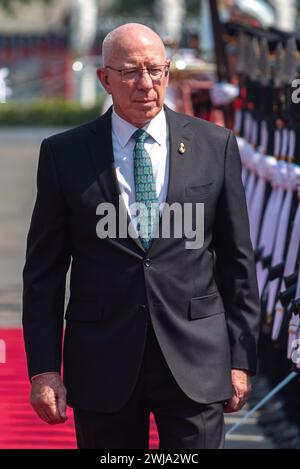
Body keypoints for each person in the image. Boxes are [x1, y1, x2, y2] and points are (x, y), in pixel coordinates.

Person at [22, 23, 261, 449]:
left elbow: (237, 260)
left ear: (168, 72)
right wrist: (43, 370)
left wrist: (241, 359)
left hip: (196, 362)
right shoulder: (64, 154)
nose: (146, 84)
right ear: (104, 78)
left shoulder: (215, 145)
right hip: (102, 363)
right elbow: (44, 271)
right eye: (131, 71)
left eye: (156, 69)